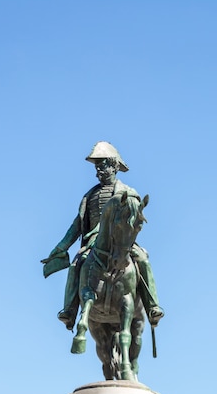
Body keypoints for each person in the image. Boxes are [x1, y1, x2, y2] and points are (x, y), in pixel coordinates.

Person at [42, 141, 164, 331]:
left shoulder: (129, 193)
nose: (98, 170)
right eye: (97, 167)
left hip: (123, 242)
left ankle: (152, 307)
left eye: (102, 166)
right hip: (94, 243)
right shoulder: (89, 196)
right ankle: (69, 310)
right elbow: (77, 225)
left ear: (114, 166)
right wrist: (60, 248)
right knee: (76, 264)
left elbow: (135, 220)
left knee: (143, 259)